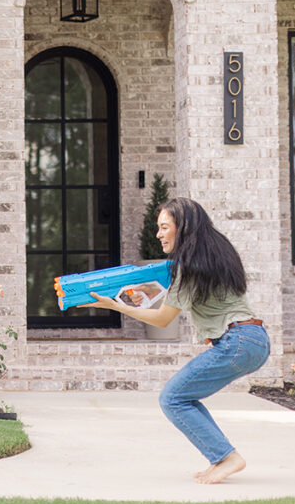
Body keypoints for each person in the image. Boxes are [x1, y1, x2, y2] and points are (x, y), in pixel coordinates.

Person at [79, 197, 270, 484]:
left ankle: (227, 458)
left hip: (238, 341)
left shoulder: (187, 265)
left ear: (183, 228)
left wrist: (116, 306)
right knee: (184, 397)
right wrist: (140, 294)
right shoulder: (215, 253)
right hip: (255, 340)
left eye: (164, 227)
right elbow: (176, 295)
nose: (158, 234)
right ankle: (221, 457)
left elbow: (163, 319)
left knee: (172, 398)